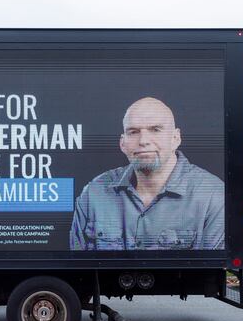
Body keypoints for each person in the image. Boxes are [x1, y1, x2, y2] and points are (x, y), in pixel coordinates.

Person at [70, 97, 224, 250]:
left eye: (155, 130)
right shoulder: (94, 193)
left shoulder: (212, 196)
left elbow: (209, 270)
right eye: (133, 132)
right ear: (122, 143)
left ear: (175, 138)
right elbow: (77, 268)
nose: (143, 140)